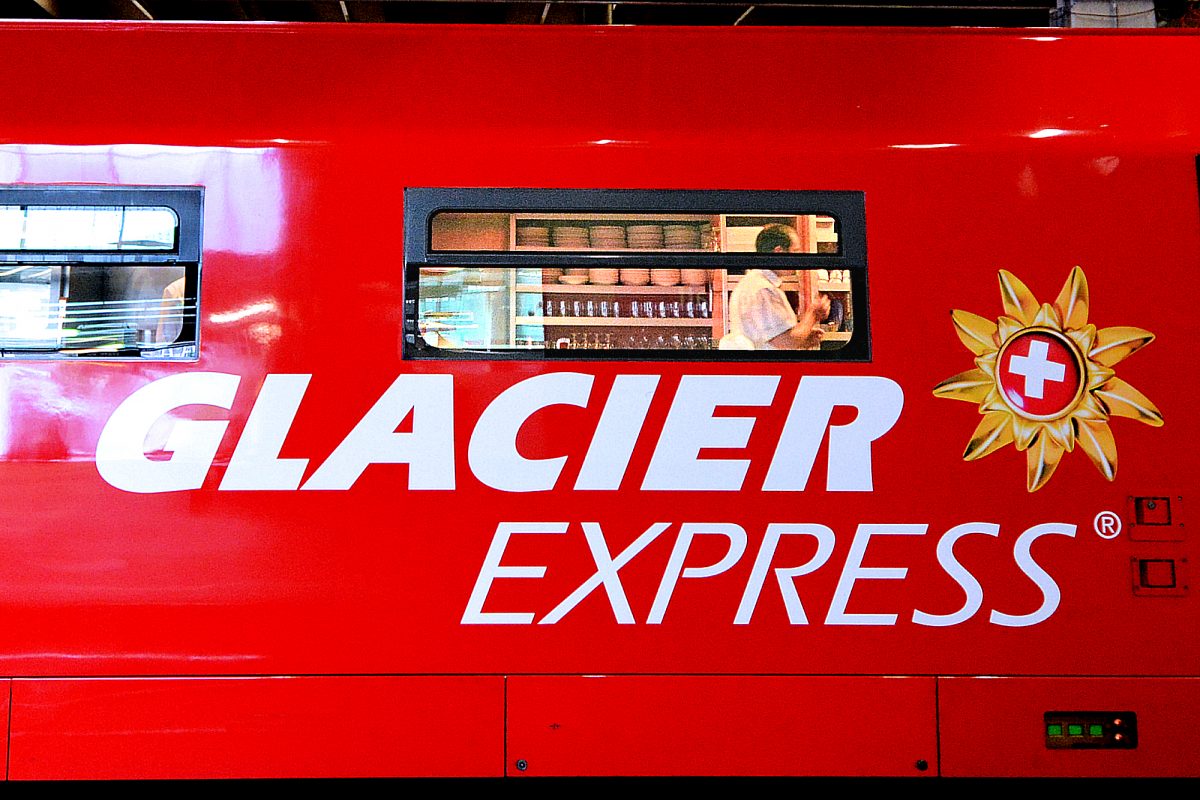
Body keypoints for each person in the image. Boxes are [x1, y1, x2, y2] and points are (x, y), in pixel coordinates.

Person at [722, 223, 830, 350]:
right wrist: (813, 314)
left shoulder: (750, 283)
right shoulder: (763, 289)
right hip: (766, 369)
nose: (798, 258)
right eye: (795, 251)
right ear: (779, 252)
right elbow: (785, 342)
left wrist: (804, 338)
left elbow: (770, 341)